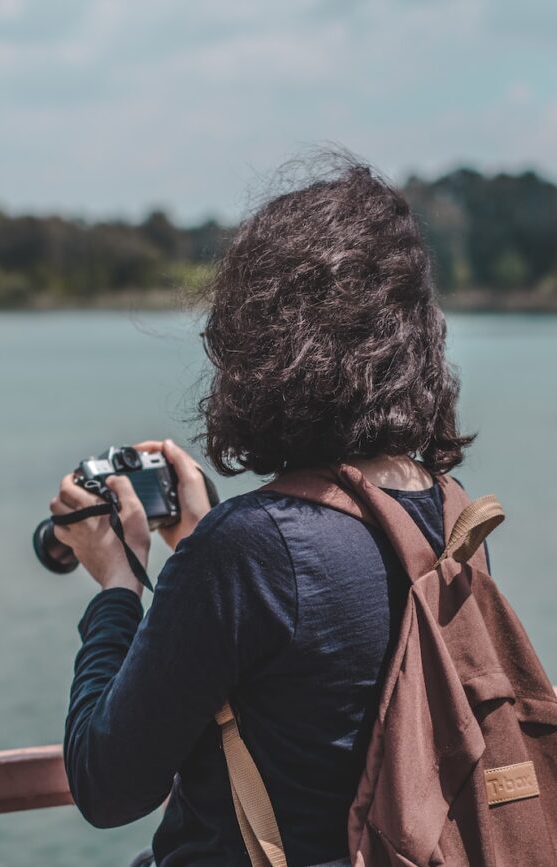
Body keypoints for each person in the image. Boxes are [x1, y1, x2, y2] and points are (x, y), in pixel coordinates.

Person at [53, 159, 475, 867]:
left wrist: (119, 587)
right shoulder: (451, 515)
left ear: (264, 343)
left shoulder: (248, 550)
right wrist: (197, 543)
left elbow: (107, 783)